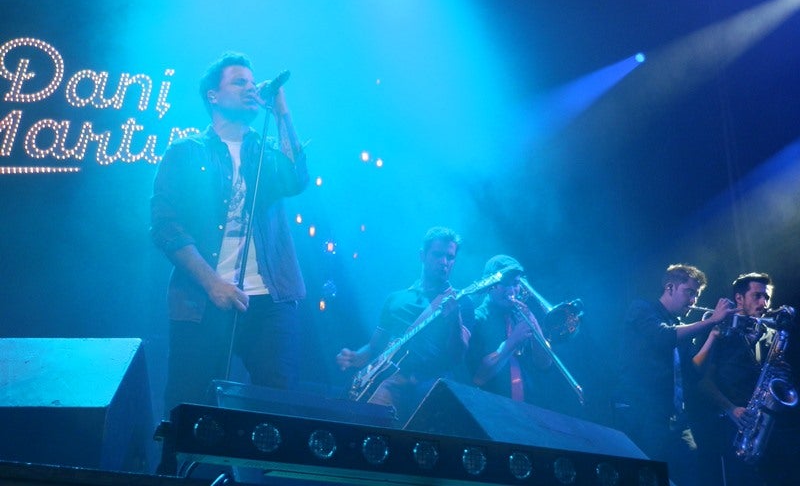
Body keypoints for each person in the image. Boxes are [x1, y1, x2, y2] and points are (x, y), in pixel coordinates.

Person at [151, 52, 308, 416]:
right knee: (191, 408)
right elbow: (165, 226)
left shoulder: (267, 153)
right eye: (239, 82)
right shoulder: (185, 153)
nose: (251, 88)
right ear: (213, 95)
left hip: (270, 299)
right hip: (202, 298)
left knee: (279, 408)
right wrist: (212, 284)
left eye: (253, 83)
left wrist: (281, 112)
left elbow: (297, 179)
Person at [613, 264, 735, 486]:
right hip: (642, 414)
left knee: (690, 477)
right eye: (689, 292)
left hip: (675, 420)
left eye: (696, 295)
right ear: (670, 287)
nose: (693, 301)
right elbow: (663, 337)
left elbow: (694, 373)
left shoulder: (680, 326)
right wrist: (711, 320)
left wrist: (713, 335)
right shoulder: (641, 309)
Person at [336, 226, 470, 425]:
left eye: (450, 257)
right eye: (438, 255)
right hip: (390, 381)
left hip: (429, 385)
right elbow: (375, 347)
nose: (444, 262)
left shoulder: (460, 301)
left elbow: (457, 356)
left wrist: (454, 320)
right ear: (422, 255)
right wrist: (356, 357)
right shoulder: (395, 299)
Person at [694, 272, 777, 486]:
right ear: (739, 298)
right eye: (757, 296)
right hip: (725, 425)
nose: (764, 303)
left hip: (759, 426)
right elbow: (701, 381)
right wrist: (730, 408)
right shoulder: (719, 330)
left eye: (767, 297)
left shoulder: (769, 334)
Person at [467, 255, 552, 403]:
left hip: (528, 406)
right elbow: (478, 377)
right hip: (491, 405)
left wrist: (535, 327)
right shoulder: (477, 319)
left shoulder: (520, 316)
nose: (511, 291)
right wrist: (513, 341)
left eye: (516, 283)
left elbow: (545, 364)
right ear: (489, 285)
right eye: (505, 284)